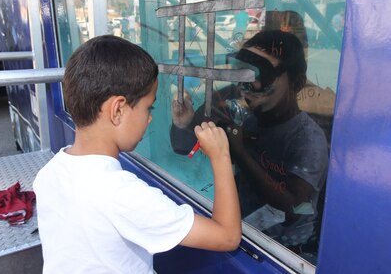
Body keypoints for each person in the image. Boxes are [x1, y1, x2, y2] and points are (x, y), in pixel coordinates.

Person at [33, 35, 241, 274]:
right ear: (118, 110)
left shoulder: (49, 173)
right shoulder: (123, 195)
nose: (150, 117)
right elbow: (227, 236)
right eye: (148, 107)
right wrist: (221, 156)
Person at [171, 30, 328, 249]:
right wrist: (185, 124)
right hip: (245, 229)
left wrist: (237, 152)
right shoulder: (252, 120)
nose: (246, 85)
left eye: (260, 75)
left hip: (282, 247)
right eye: (242, 73)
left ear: (297, 83)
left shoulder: (308, 140)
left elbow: (295, 206)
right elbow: (183, 148)